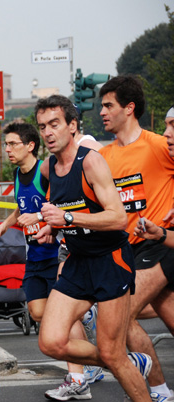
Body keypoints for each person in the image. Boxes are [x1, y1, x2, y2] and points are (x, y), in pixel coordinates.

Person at [33, 95, 152, 401]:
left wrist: (67, 217)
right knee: (51, 342)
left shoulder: (92, 161)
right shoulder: (48, 167)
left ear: (72, 126)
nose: (47, 132)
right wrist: (51, 225)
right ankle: (125, 362)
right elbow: (66, 208)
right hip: (77, 262)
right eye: (43, 126)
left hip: (110, 262)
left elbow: (117, 218)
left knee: (113, 352)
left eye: (55, 124)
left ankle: (122, 364)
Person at [0, 122, 104, 400]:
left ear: (30, 145)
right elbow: (22, 205)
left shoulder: (46, 170)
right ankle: (105, 355)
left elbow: (69, 201)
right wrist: (5, 224)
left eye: (13, 144)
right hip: (35, 257)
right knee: (38, 312)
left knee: (62, 315)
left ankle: (79, 377)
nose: (8, 149)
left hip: (57, 254)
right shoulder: (18, 174)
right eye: (5, 144)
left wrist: (49, 224)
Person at [96, 77, 174, 402]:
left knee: (119, 315)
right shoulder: (102, 157)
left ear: (129, 108)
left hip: (160, 245)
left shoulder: (160, 144)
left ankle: (157, 391)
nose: (102, 111)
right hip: (128, 250)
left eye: (108, 105)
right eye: (101, 105)